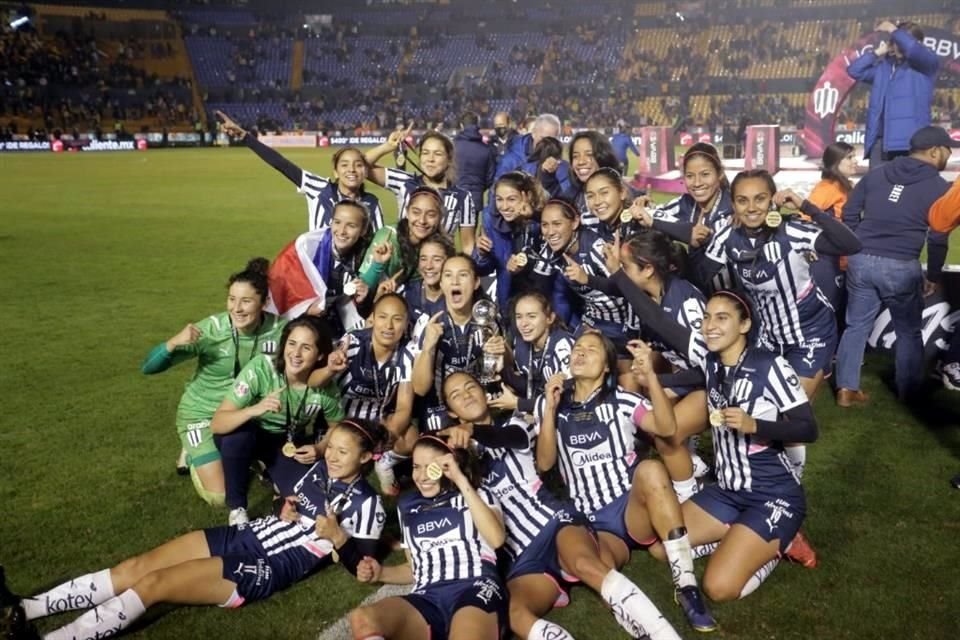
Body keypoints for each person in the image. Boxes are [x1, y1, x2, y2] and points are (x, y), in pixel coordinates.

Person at [1, 420, 389, 640]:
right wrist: (283, 506)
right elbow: (283, 500)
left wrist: (339, 539)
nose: (332, 457)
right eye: (331, 447)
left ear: (367, 457)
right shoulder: (318, 469)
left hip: (265, 564)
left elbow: (365, 571)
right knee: (137, 566)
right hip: (246, 535)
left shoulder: (369, 504)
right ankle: (24, 608)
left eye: (344, 451)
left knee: (155, 584)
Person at [441, 372, 682, 640]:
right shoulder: (452, 459)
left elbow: (505, 437)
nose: (465, 395)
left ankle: (665, 635)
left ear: (484, 393)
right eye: (455, 395)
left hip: (554, 523)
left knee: (585, 564)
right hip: (521, 555)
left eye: (470, 387)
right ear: (452, 412)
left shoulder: (517, 424)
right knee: (512, 613)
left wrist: (473, 431)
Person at [635, 291, 820, 600]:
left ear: (745, 324)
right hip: (729, 491)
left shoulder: (769, 365)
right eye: (707, 317)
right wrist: (651, 376)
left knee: (718, 588)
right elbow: (691, 373)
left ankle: (779, 546)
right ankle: (741, 535)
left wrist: (755, 425)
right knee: (660, 548)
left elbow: (809, 428)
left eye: (722, 318)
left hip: (772, 494)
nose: (710, 325)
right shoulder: (713, 364)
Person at [535, 332, 716, 632]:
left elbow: (667, 427)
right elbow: (544, 463)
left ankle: (686, 585)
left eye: (591, 350)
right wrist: (550, 411)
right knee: (597, 570)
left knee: (650, 470)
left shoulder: (622, 400)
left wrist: (651, 379)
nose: (580, 353)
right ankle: (645, 628)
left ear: (607, 365)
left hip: (631, 509)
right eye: (577, 349)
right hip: (596, 525)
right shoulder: (553, 402)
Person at [141, 258, 286, 506]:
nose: (237, 308)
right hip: (202, 413)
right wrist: (174, 342)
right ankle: (191, 447)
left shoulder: (281, 330)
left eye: (246, 301)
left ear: (265, 303)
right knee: (219, 497)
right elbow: (149, 367)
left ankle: (242, 451)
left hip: (246, 415)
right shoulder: (211, 330)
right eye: (232, 299)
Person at [836, 126, 956, 404]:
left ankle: (846, 389)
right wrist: (934, 275)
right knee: (908, 331)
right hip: (901, 264)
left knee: (856, 326)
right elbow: (938, 237)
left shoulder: (876, 174)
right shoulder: (940, 187)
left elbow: (850, 213)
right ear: (935, 151)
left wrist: (856, 245)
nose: (949, 155)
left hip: (861, 259)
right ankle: (908, 392)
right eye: (948, 150)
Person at [348, 435, 507, 640]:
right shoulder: (407, 506)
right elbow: (415, 568)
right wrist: (381, 574)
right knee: (362, 619)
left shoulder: (478, 494)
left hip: (475, 586)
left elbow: (496, 539)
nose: (421, 477)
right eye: (416, 467)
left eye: (430, 467)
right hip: (427, 597)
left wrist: (459, 479)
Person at [211, 316, 346, 525]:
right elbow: (218, 423)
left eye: (306, 348)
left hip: (285, 442)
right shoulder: (261, 368)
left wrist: (320, 448)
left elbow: (337, 426)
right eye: (292, 344)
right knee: (237, 439)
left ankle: (269, 474)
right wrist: (254, 410)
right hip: (250, 432)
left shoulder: (325, 387)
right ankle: (237, 508)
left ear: (320, 355)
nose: (296, 354)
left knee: (307, 501)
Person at [216, 111, 383, 231]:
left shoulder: (372, 203)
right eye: (345, 165)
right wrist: (245, 136)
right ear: (335, 172)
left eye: (358, 165)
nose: (352, 170)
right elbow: (281, 163)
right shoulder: (319, 188)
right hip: (317, 276)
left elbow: (379, 244)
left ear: (365, 172)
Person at [336, 293, 418, 493]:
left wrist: (389, 435)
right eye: (383, 317)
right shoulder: (352, 342)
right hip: (341, 421)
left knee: (411, 438)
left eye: (397, 319)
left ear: (406, 323)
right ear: (372, 318)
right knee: (344, 470)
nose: (389, 326)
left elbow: (404, 407)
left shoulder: (406, 353)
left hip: (377, 423)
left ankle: (384, 462)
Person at [411, 254, 495, 433]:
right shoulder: (428, 322)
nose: (455, 281)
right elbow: (419, 388)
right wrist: (428, 348)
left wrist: (502, 354)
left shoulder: (487, 317)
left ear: (476, 282)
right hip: (438, 407)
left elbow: (499, 368)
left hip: (477, 399)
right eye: (448, 275)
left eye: (463, 275)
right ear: (441, 284)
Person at [636, 143, 735, 294]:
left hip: (732, 299)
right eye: (690, 176)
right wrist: (642, 204)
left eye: (705, 174)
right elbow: (647, 215)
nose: (697, 183)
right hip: (697, 295)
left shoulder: (734, 207)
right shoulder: (685, 203)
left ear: (719, 174)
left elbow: (705, 273)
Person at [543, 198, 634, 352]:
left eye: (557, 224)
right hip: (590, 320)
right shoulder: (551, 251)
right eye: (544, 225)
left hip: (622, 325)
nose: (550, 232)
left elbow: (628, 289)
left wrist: (587, 279)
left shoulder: (598, 248)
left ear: (574, 223)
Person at [271, 199, 374, 336]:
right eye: (337, 222)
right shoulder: (307, 245)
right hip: (305, 326)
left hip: (342, 330)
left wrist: (363, 301)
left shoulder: (368, 256)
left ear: (363, 230)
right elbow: (279, 284)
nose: (342, 231)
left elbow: (369, 311)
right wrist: (306, 309)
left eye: (351, 225)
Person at [366, 128, 477, 255]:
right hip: (403, 267)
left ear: (449, 159)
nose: (430, 159)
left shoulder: (463, 198)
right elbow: (360, 166)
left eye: (438, 154)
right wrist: (387, 146)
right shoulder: (404, 181)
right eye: (425, 153)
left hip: (438, 269)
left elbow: (468, 246)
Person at [846, 21, 939, 168]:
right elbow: (854, 71)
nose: (899, 45)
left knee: (907, 190)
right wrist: (877, 53)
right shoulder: (884, 68)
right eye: (896, 42)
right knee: (877, 189)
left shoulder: (926, 64)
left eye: (902, 40)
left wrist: (893, 30)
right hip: (880, 144)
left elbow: (913, 49)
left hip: (910, 144)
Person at [474, 171, 566, 315]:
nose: (504, 207)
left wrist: (535, 217)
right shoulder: (491, 221)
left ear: (527, 196)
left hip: (547, 299)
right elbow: (485, 269)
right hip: (511, 300)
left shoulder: (546, 216)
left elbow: (557, 258)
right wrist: (482, 254)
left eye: (511, 199)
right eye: (499, 199)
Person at [486, 291, 575, 415]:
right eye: (519, 317)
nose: (523, 324)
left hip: (566, 417)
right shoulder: (521, 345)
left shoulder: (563, 345)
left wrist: (518, 404)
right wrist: (503, 371)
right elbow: (530, 386)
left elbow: (573, 397)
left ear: (550, 318)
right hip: (537, 414)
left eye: (531, 316)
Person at [357, 186, 446, 291]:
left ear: (440, 217)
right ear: (407, 212)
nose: (422, 220)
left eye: (431, 215)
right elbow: (361, 286)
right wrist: (377, 265)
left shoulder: (439, 246)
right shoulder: (388, 237)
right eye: (416, 212)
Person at [806, 141, 857, 313]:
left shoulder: (844, 186)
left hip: (846, 261)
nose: (855, 161)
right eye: (849, 157)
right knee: (831, 315)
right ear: (836, 162)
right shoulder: (826, 189)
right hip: (831, 263)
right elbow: (805, 218)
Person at [546, 130, 622, 229]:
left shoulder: (626, 193)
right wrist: (547, 178)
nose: (581, 161)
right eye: (575, 156)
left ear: (603, 156)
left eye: (589, 155)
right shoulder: (571, 195)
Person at [400, 233, 454, 319]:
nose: (428, 266)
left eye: (436, 259)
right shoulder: (407, 293)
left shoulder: (458, 295)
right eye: (423, 259)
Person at [496, 113, 563, 179]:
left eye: (553, 140)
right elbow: (496, 187)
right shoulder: (512, 161)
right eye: (543, 139)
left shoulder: (558, 159)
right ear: (533, 133)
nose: (548, 144)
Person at [453, 111, 496, 211]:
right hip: (476, 195)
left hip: (455, 194)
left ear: (461, 125)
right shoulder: (486, 149)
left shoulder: (453, 147)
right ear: (477, 125)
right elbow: (490, 176)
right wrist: (480, 187)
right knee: (471, 225)